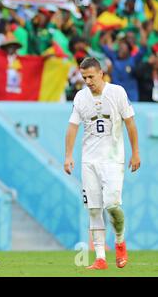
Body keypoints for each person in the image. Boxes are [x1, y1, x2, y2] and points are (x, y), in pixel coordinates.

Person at [64, 57, 140, 270]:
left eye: (90, 76)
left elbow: (130, 124)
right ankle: (100, 258)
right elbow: (72, 127)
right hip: (89, 161)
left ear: (101, 74)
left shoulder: (117, 93)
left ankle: (119, 241)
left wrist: (135, 153)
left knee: (112, 206)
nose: (87, 81)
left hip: (113, 159)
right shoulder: (80, 97)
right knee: (94, 210)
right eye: (84, 77)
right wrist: (68, 155)